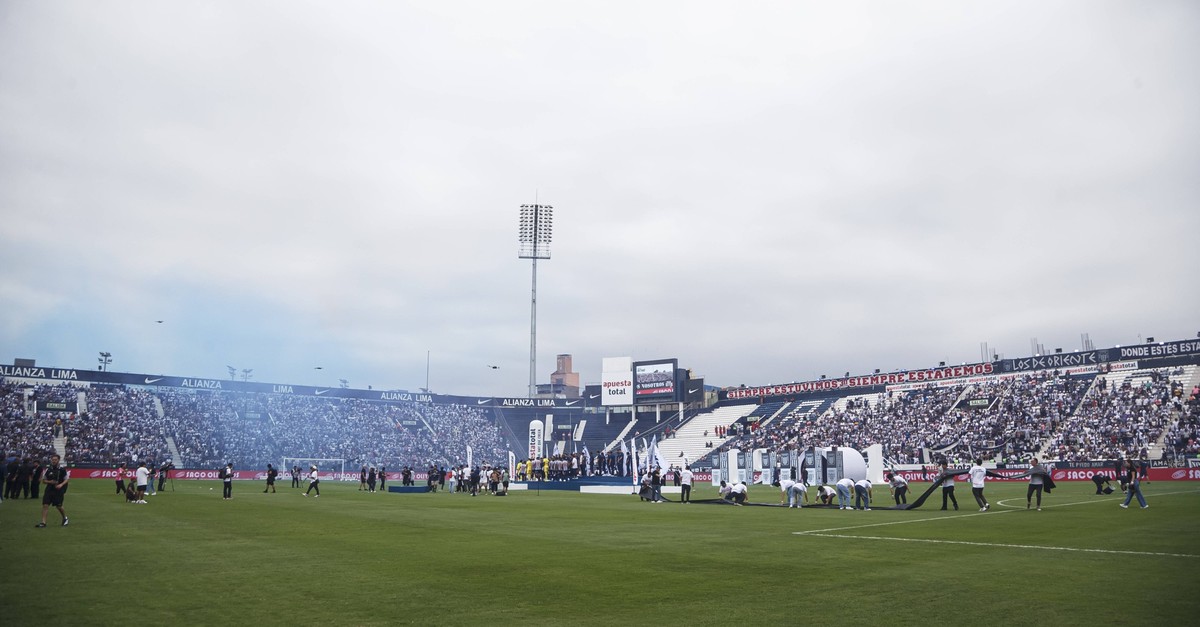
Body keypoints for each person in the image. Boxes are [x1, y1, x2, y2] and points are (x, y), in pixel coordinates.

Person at [36, 453, 69, 527]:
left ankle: (65, 518)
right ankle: (43, 522)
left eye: (55, 460)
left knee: (59, 506)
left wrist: (61, 485)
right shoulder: (49, 469)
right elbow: (44, 481)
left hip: (58, 490)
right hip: (49, 489)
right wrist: (50, 482)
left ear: (58, 460)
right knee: (45, 505)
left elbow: (66, 479)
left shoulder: (62, 469)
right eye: (53, 460)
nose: (54, 461)